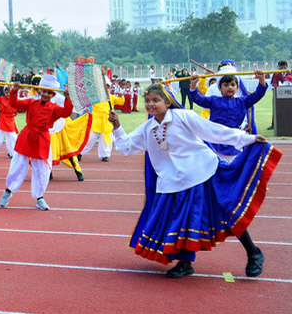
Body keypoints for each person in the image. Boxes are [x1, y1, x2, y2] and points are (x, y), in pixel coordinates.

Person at [109, 84, 280, 278]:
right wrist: (117, 127)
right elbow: (125, 147)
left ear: (168, 102)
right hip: (174, 181)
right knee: (180, 219)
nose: (150, 104)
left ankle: (254, 252)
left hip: (201, 173)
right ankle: (185, 263)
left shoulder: (183, 117)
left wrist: (245, 138)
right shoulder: (148, 128)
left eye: (156, 100)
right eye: (147, 101)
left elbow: (212, 131)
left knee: (223, 213)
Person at [0, 78, 73, 211]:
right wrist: (14, 91)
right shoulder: (31, 102)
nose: (45, 94)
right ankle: (8, 191)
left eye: (49, 93)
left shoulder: (55, 108)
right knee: (18, 164)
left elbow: (66, 113)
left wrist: (68, 99)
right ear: (39, 90)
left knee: (43, 169)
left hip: (42, 139)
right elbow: (15, 104)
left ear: (53, 95)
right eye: (44, 91)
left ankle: (39, 197)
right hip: (27, 136)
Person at [189, 70, 267, 156]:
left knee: (235, 166)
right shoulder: (213, 100)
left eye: (233, 85)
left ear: (237, 88)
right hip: (215, 140)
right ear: (220, 88)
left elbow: (258, 94)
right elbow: (196, 98)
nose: (230, 87)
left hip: (234, 140)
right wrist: (193, 85)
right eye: (226, 85)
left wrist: (261, 79)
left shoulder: (243, 101)